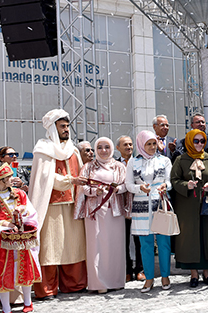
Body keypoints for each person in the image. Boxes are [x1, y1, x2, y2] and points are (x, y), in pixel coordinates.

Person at [29, 109, 87, 300]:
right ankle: (46, 289)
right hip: (50, 206)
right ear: (52, 128)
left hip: (72, 205)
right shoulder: (42, 149)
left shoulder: (73, 149)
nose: (66, 130)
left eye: (67, 126)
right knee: (49, 248)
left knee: (73, 245)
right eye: (62, 126)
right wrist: (70, 180)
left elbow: (80, 172)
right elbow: (45, 177)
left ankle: (74, 285)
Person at [0, 163, 40, 313]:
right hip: (1, 241)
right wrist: (4, 223)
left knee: (24, 269)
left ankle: (28, 302)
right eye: (8, 177)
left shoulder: (19, 193)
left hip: (20, 239)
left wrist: (22, 212)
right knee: (3, 272)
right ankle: (6, 308)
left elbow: (31, 213)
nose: (12, 179)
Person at [75, 137, 128, 293]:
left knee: (115, 245)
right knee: (96, 245)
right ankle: (99, 284)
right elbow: (82, 186)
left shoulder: (119, 167)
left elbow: (126, 184)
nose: (103, 151)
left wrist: (118, 189)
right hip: (95, 211)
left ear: (111, 148)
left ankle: (116, 280)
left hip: (114, 210)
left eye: (106, 147)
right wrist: (94, 191)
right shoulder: (88, 167)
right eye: (99, 147)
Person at [170, 129, 208, 287]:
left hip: (207, 204)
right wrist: (187, 185)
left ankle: (207, 273)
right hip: (187, 206)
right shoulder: (181, 160)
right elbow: (174, 179)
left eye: (202, 141)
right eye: (196, 141)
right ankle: (194, 274)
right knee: (190, 237)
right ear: (188, 142)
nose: (199, 144)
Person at [125, 130, 172, 292]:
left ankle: (165, 276)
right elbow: (128, 185)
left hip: (160, 203)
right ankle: (149, 278)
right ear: (141, 145)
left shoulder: (164, 160)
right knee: (145, 244)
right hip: (141, 206)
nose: (152, 147)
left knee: (164, 242)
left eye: (154, 143)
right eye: (148, 144)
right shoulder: (133, 162)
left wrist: (166, 186)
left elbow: (169, 181)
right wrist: (140, 188)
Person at [116, 135, 145, 283]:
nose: (129, 147)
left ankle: (140, 270)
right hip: (121, 209)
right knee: (124, 240)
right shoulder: (114, 165)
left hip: (139, 206)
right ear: (118, 148)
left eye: (131, 144)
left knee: (140, 240)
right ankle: (126, 271)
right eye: (125, 145)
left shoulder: (139, 162)